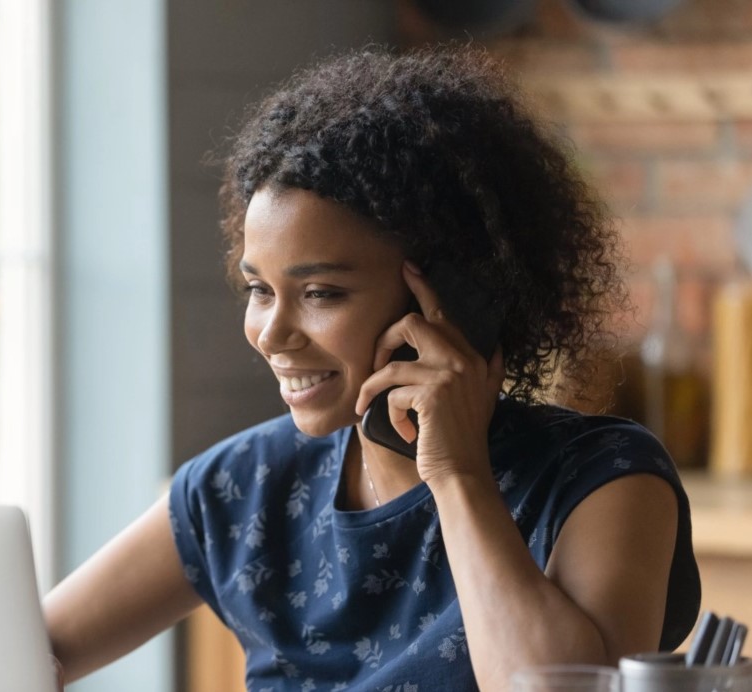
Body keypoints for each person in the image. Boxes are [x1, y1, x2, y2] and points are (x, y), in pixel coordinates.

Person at [42, 44, 700, 691]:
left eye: (321, 293)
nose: (272, 334)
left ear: (450, 300)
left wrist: (456, 475)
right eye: (258, 290)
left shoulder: (601, 480)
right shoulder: (242, 487)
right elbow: (26, 651)